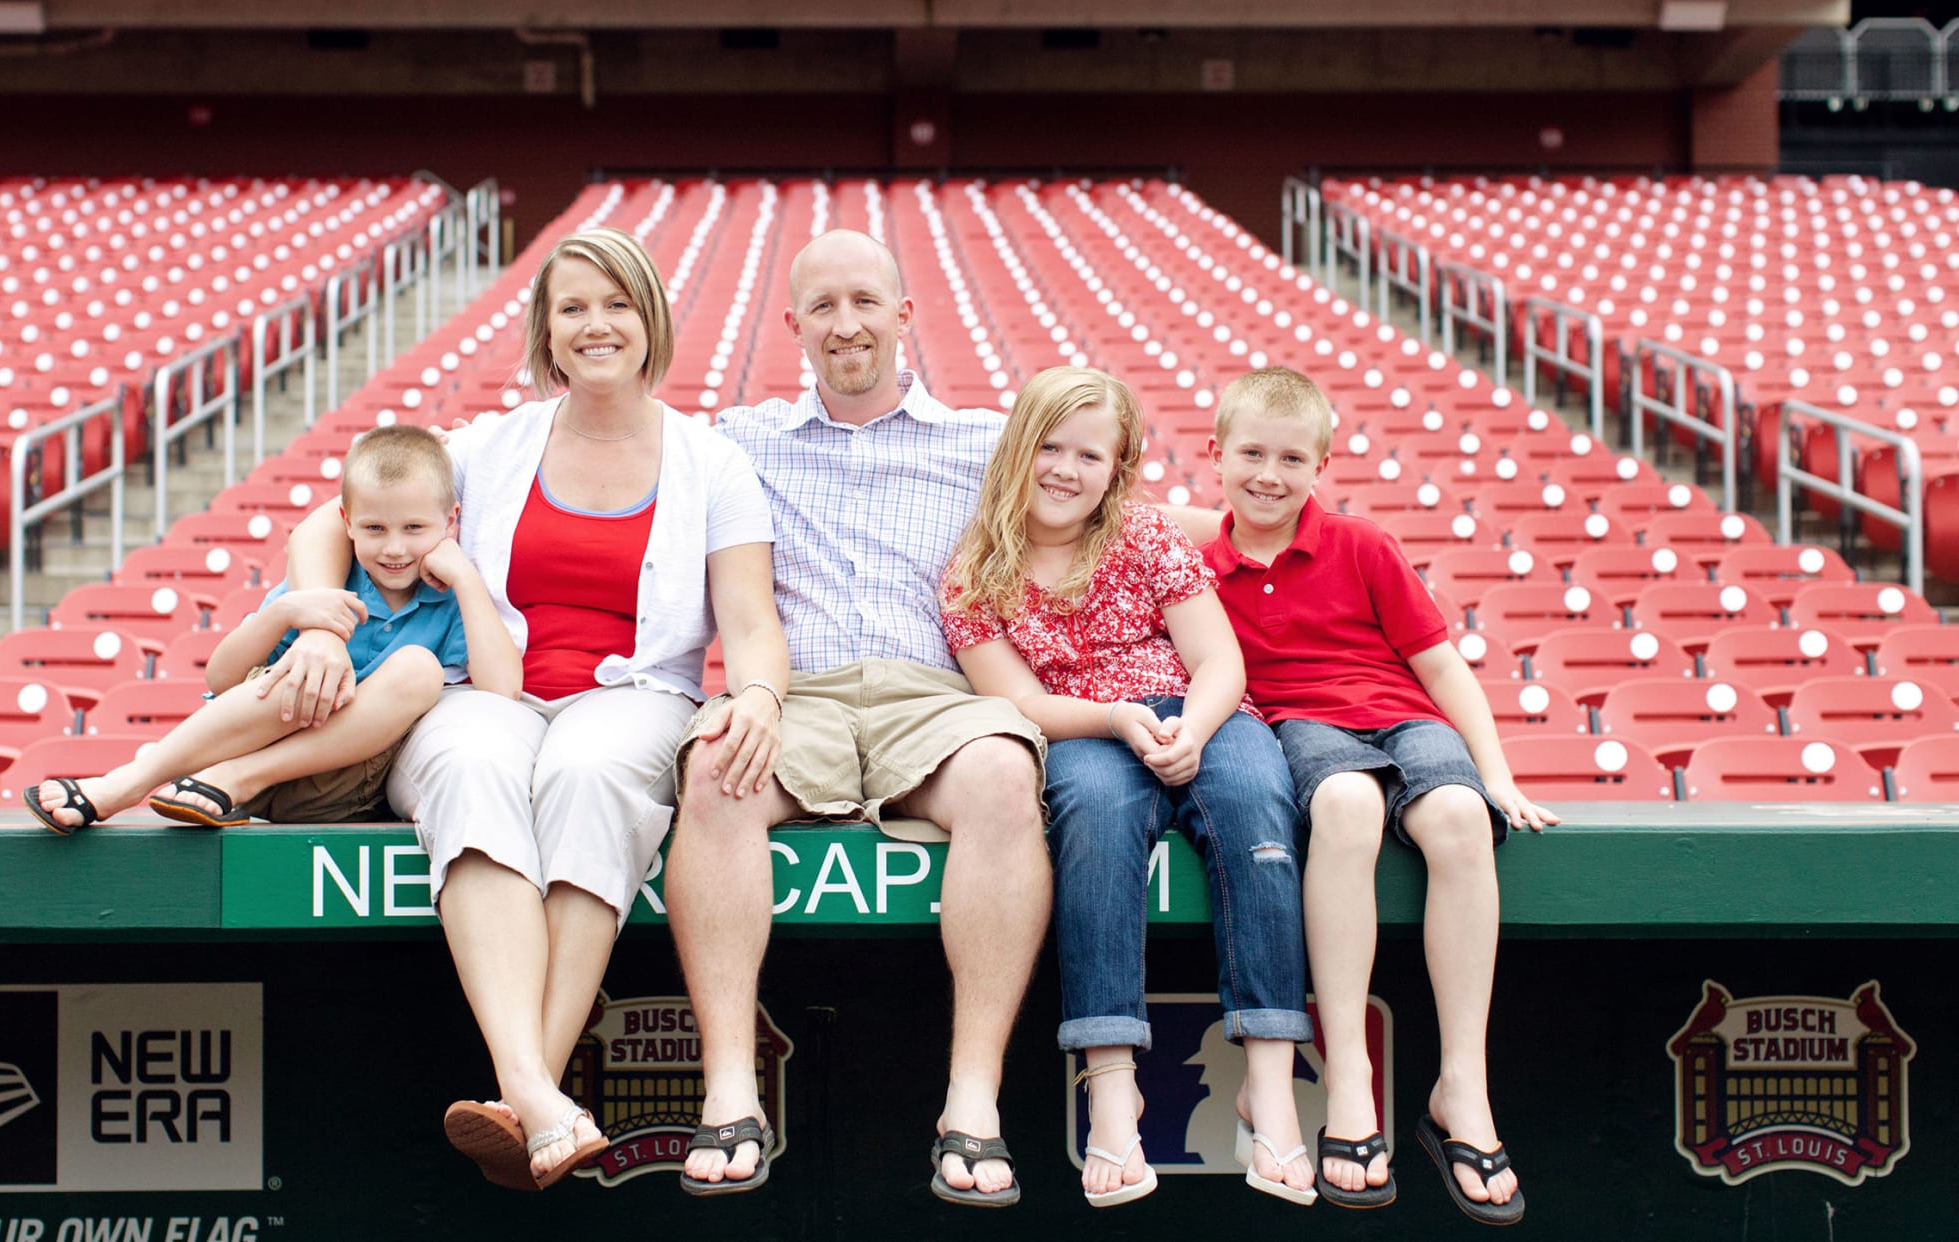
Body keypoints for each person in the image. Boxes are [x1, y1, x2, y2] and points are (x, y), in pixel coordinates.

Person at [262, 227, 787, 1191]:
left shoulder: (712, 463)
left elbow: (750, 621)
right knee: (469, 767)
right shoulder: (488, 445)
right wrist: (323, 626)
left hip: (631, 694)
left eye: (618, 303)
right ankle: (535, 1096)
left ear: (651, 319)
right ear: (546, 329)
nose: (597, 324)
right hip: (482, 687)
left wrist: (757, 692)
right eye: (573, 306)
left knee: (589, 775)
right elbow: (330, 519)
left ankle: (520, 1096)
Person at [667, 229, 1052, 1205]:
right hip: (803, 695)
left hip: (936, 696)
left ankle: (973, 1098)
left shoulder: (983, 442)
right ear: (794, 326)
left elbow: (1109, 505)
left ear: (903, 315)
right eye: (825, 308)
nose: (847, 325)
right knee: (713, 770)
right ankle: (729, 1089)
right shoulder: (737, 441)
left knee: (1008, 775)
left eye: (866, 302)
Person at [938, 366, 1316, 1209]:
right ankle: (1112, 1080)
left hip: (1200, 714)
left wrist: (1197, 727)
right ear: (1017, 450)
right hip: (1082, 727)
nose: (1066, 469)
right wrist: (1114, 719)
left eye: (1090, 454)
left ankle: (1270, 1080)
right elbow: (1023, 701)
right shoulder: (975, 569)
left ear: (1118, 467)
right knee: (1097, 821)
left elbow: (1220, 659)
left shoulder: (1146, 537)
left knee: (1259, 806)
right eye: (1050, 447)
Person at [1197, 366, 1557, 1226]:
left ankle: (1461, 1087)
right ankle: (1349, 1074)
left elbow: (1440, 668)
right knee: (1347, 808)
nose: (1269, 475)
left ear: (1320, 466)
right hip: (1303, 727)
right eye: (1251, 452)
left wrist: (1497, 771)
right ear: (1215, 455)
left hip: (1404, 717)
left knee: (1463, 819)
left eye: (1292, 458)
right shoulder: (1197, 567)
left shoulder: (1362, 545)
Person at [25, 424, 517, 833]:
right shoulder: (325, 581)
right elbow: (221, 679)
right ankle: (128, 782)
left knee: (418, 670)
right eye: (374, 529)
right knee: (301, 667)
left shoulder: (449, 597)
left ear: (451, 520)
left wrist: (466, 578)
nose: (393, 549)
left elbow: (503, 691)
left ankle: (237, 778)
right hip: (230, 764)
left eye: (414, 529)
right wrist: (284, 615)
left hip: (337, 785)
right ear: (345, 522)